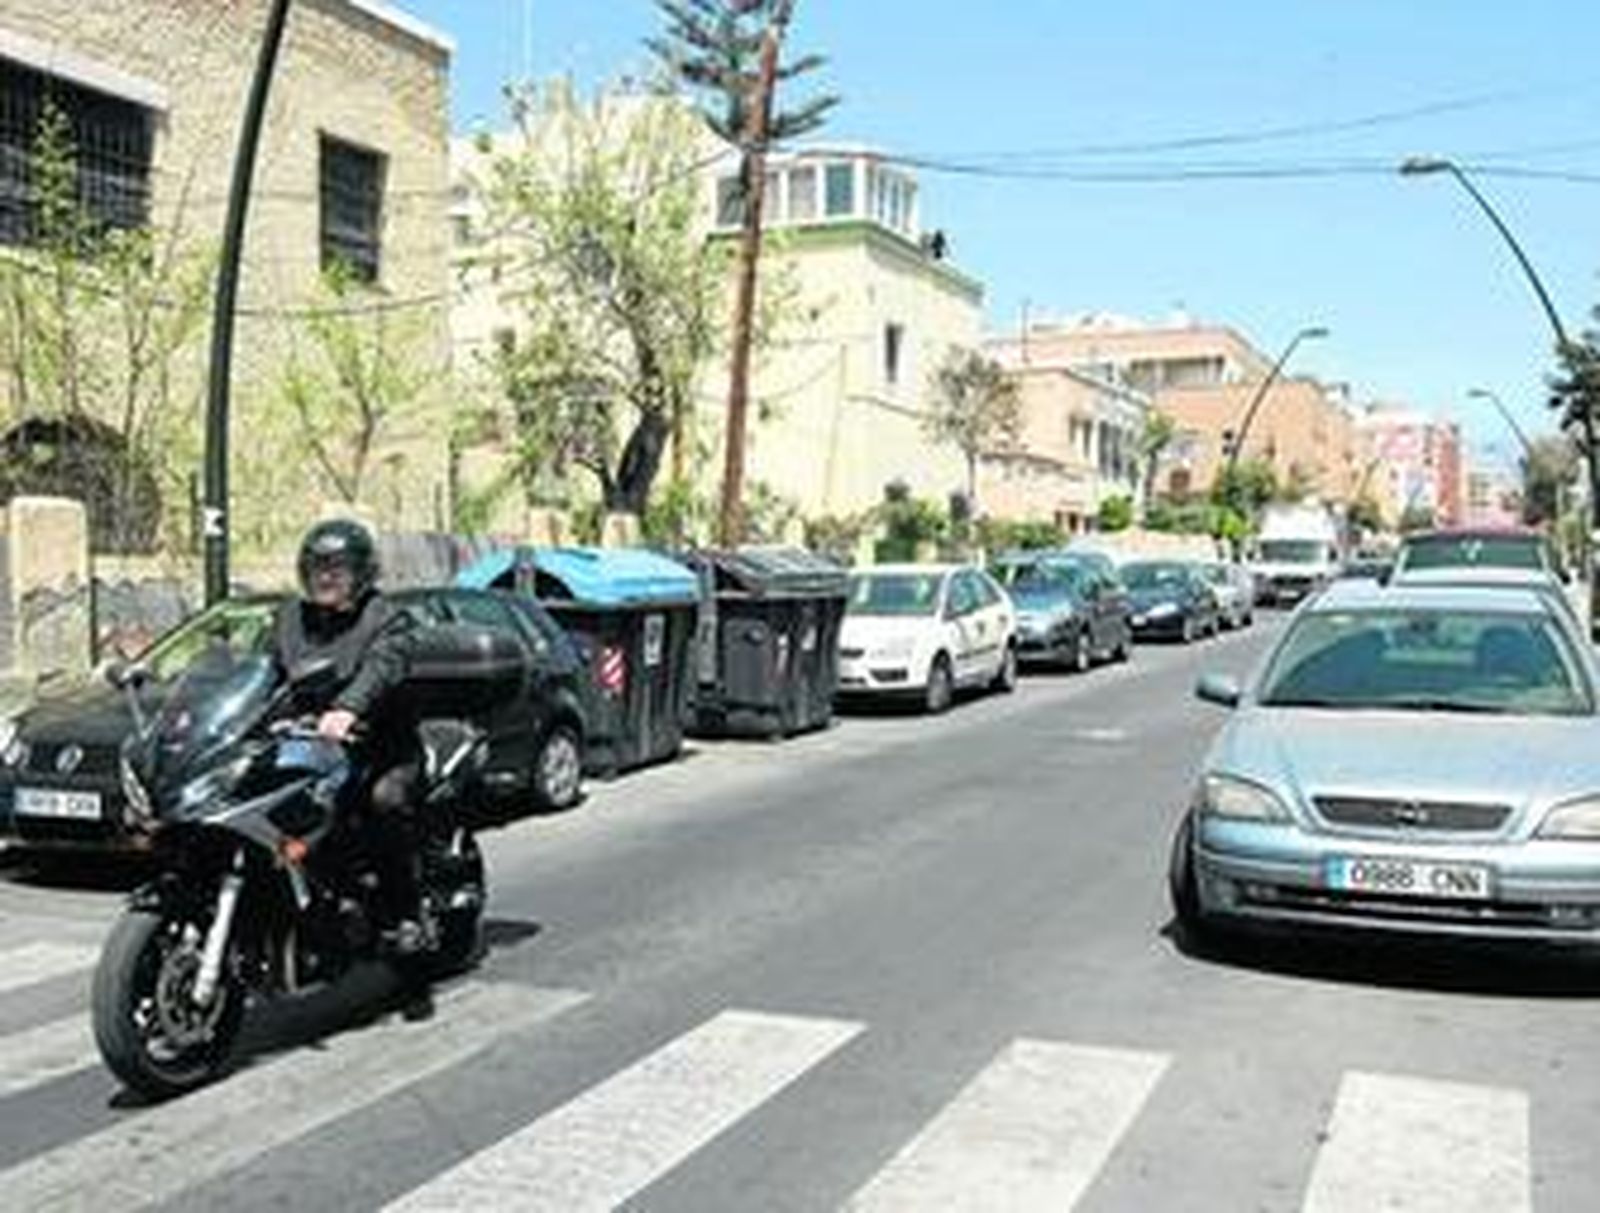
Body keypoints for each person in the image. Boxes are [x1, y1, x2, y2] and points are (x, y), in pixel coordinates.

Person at [271, 519, 432, 956]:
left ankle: (404, 913)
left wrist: (348, 708)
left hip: (381, 748)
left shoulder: (385, 617)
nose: (325, 577)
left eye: (337, 569)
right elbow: (265, 673)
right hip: (310, 748)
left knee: (385, 802)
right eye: (317, 568)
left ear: (361, 573)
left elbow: (385, 665)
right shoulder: (290, 618)